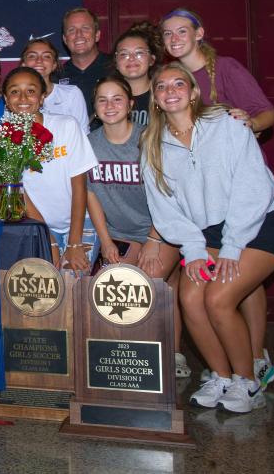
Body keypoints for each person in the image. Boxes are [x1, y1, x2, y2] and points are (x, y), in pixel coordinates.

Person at [141, 63, 274, 413]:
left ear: (194, 92)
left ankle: (248, 382)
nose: (171, 90)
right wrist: (193, 249)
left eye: (179, 83)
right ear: (156, 99)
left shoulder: (227, 125)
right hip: (206, 233)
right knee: (191, 297)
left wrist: (233, 245)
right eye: (162, 87)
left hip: (259, 224)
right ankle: (221, 376)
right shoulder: (152, 143)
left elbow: (256, 188)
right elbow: (164, 209)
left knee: (219, 298)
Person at [161, 8, 274, 387]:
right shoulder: (166, 85)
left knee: (238, 284)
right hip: (203, 200)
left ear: (200, 33)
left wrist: (244, 125)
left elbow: (267, 114)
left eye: (182, 31)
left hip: (241, 184)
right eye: (167, 34)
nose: (174, 38)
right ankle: (226, 369)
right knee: (214, 290)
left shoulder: (223, 68)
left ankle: (256, 357)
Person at [85, 74, 187, 376]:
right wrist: (105, 242)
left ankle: (174, 355)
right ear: (94, 108)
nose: (110, 105)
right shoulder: (89, 144)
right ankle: (135, 359)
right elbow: (90, 195)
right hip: (119, 232)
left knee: (152, 282)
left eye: (117, 98)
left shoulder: (149, 138)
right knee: (117, 289)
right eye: (102, 100)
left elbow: (171, 194)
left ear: (131, 104)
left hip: (161, 229)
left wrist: (153, 240)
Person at [3, 67, 99, 272]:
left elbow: (79, 185)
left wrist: (74, 242)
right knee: (46, 292)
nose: (22, 98)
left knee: (73, 283)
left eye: (31, 90)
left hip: (80, 222)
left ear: (42, 96)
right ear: (6, 98)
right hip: (37, 227)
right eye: (14, 91)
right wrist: (49, 240)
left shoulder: (67, 126)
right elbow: (19, 195)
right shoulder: (1, 138)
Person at [21, 39, 90, 133]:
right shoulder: (15, 98)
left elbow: (83, 134)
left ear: (54, 65)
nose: (39, 61)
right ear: (23, 64)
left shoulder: (71, 94)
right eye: (32, 56)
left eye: (46, 56)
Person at [56, 7, 112, 116]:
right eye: (71, 30)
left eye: (85, 28)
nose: (78, 34)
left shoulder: (116, 68)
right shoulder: (56, 77)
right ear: (65, 39)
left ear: (97, 35)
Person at [111, 21, 163, 128]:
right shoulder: (108, 98)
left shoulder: (164, 94)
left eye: (139, 53)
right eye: (124, 54)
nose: (131, 58)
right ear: (116, 62)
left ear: (152, 60)